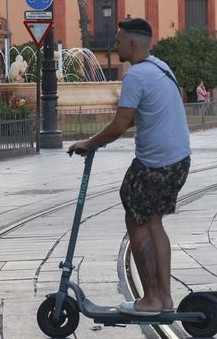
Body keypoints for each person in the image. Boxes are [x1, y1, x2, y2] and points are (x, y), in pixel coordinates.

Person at [68, 17, 191, 316]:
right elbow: (141, 114)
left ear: (132, 44)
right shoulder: (161, 68)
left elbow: (122, 122)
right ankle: (164, 297)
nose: (115, 44)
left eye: (119, 40)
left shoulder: (136, 76)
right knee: (153, 222)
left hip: (155, 163)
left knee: (136, 223)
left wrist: (90, 143)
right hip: (178, 160)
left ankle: (150, 299)